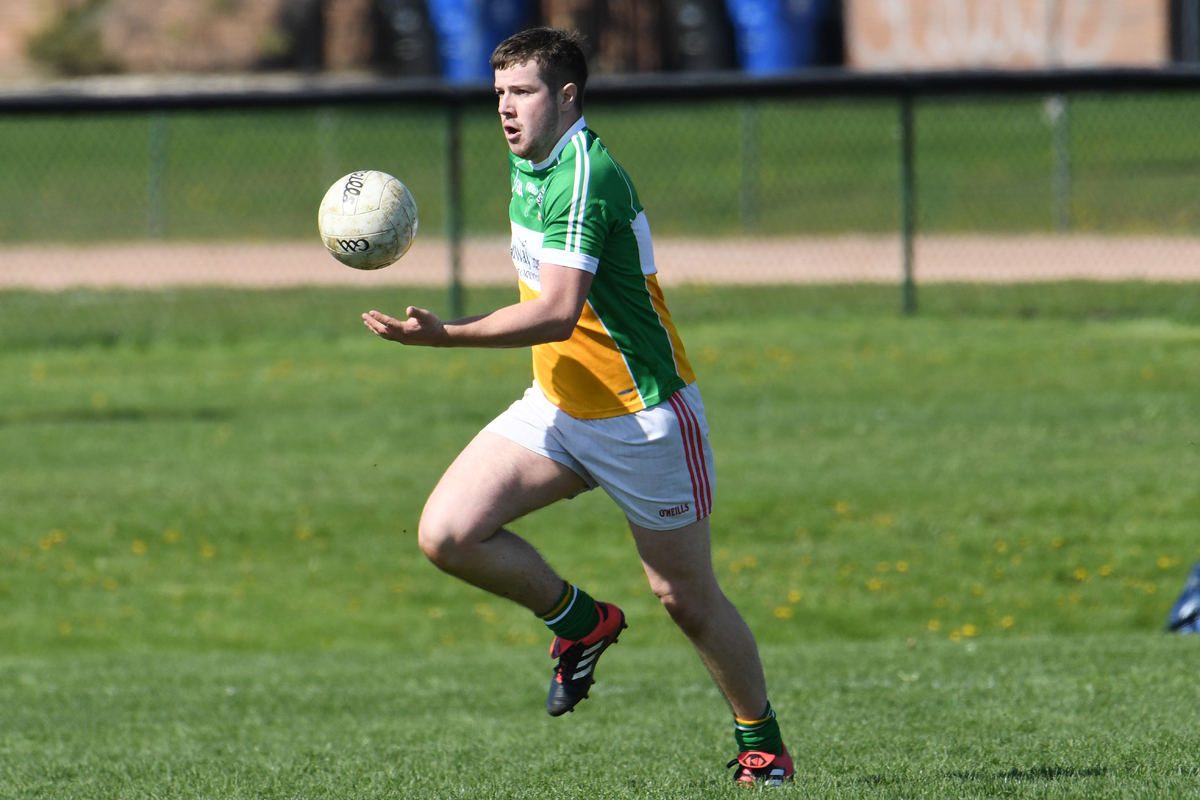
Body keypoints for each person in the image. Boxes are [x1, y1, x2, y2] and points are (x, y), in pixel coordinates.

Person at [362, 27, 792, 786]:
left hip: (642, 417)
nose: (504, 108)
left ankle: (762, 743)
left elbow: (559, 311)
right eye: (498, 93)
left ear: (566, 96)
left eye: (521, 92)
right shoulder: (530, 159)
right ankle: (582, 623)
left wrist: (448, 337)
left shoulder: (586, 175)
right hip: (557, 408)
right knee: (449, 533)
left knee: (684, 598)